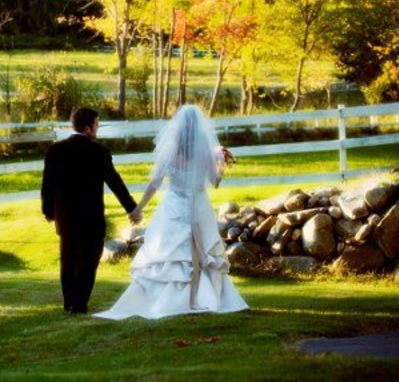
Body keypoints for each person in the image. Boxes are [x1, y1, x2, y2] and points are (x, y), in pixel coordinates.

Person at [95, 105, 248, 320]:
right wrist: (220, 166)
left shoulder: (171, 148)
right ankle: (206, 297)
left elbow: (155, 183)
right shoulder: (205, 149)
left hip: (174, 205)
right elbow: (214, 182)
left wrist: (138, 209)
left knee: (171, 251)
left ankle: (165, 299)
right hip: (199, 205)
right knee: (204, 252)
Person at [41, 107, 141, 314]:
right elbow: (115, 183)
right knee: (89, 259)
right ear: (87, 128)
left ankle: (69, 302)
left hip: (66, 216)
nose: (97, 130)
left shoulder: (55, 150)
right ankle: (80, 302)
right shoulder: (99, 152)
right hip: (91, 217)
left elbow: (47, 185)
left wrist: (49, 211)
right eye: (96, 125)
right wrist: (132, 208)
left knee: (68, 258)